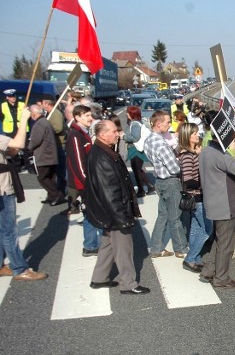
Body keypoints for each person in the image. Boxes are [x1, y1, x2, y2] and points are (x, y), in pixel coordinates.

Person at [83, 120, 149, 295]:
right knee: (124, 249)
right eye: (114, 131)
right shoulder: (101, 156)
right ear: (102, 134)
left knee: (108, 244)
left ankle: (99, 278)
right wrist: (122, 218)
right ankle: (128, 283)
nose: (118, 134)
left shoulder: (102, 151)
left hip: (110, 212)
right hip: (115, 213)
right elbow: (109, 192)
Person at [0, 107, 48, 281]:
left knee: (2, 230)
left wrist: (8, 151)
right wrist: (23, 120)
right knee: (9, 231)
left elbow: (10, 150)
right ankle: (20, 269)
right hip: (2, 188)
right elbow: (19, 144)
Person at [199, 131, 235, 289]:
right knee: (226, 244)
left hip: (213, 202)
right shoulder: (221, 155)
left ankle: (210, 270)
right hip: (225, 204)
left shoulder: (207, 150)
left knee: (219, 239)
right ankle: (221, 278)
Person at [144, 110, 188, 258]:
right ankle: (181, 249)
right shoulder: (161, 144)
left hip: (159, 180)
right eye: (168, 122)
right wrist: (180, 160)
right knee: (175, 217)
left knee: (163, 214)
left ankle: (156, 247)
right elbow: (174, 168)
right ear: (158, 123)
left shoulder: (149, 140)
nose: (170, 125)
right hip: (171, 181)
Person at [65, 104, 102, 255]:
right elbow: (79, 163)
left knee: (89, 212)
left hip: (86, 181)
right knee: (93, 211)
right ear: (77, 117)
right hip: (84, 182)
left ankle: (90, 245)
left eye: (90, 115)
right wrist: (88, 183)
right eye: (86, 115)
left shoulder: (82, 133)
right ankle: (91, 245)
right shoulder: (75, 135)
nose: (90, 118)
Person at [177, 123, 212, 273]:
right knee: (207, 229)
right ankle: (190, 258)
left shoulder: (192, 153)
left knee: (196, 228)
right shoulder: (186, 156)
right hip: (196, 196)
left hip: (197, 195)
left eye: (197, 133)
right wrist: (203, 183)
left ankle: (195, 258)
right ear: (187, 136)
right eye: (194, 133)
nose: (198, 135)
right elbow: (188, 179)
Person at [27, 105, 66, 206]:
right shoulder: (45, 121)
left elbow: (35, 141)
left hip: (44, 156)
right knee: (50, 176)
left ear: (33, 114)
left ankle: (56, 194)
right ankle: (51, 196)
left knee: (42, 177)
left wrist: (28, 148)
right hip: (51, 155)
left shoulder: (39, 124)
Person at [123, 106, 155, 198]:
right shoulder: (138, 122)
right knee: (138, 170)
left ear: (132, 114)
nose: (126, 114)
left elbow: (135, 137)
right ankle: (149, 186)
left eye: (128, 112)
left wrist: (124, 137)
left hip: (135, 149)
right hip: (137, 149)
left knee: (136, 170)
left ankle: (141, 190)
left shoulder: (135, 124)